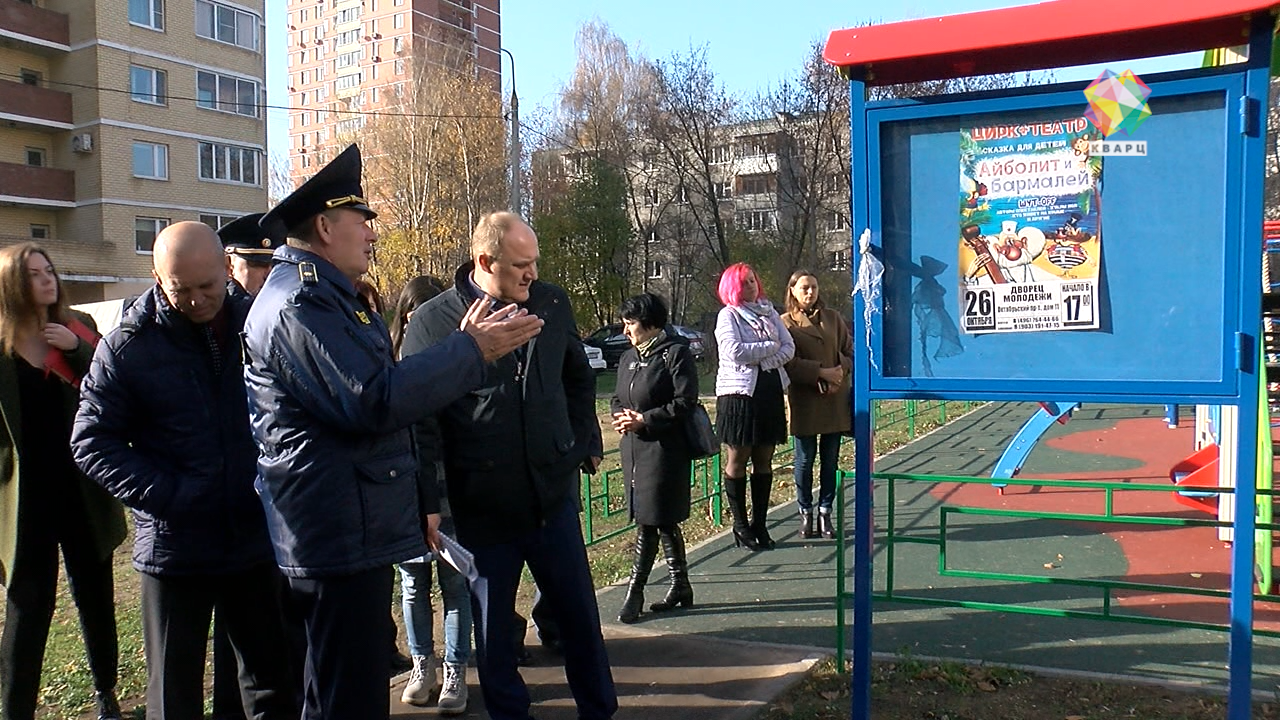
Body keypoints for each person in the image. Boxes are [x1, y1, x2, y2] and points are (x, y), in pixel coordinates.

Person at [242, 144, 542, 720]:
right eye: (364, 221)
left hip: (345, 525)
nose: (373, 234)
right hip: (334, 535)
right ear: (326, 227)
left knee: (335, 690)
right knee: (345, 698)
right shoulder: (302, 304)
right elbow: (373, 401)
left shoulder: (326, 298)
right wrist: (471, 350)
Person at [70, 223, 296, 720]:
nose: (196, 300)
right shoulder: (128, 346)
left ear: (227, 271)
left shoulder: (256, 325)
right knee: (174, 696)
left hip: (253, 539)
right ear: (156, 276)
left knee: (269, 686)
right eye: (181, 290)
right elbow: (91, 440)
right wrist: (169, 495)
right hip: (175, 549)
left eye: (207, 286)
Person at [402, 211, 617, 720]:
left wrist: (580, 439)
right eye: (521, 265)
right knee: (494, 634)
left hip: (551, 497)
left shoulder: (551, 302)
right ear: (485, 261)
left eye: (535, 262)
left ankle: (600, 710)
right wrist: (426, 501)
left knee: (580, 620)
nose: (532, 274)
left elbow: (577, 377)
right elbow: (420, 424)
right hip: (482, 508)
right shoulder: (434, 322)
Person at [0, 244, 126, 720]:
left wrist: (78, 351)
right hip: (26, 497)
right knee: (28, 606)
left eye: (49, 271)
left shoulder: (79, 330)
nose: (47, 280)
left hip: (80, 488)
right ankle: (16, 708)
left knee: (95, 593)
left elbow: (112, 388)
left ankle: (105, 692)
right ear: (12, 284)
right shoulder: (2, 346)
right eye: (33, 274)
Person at [211, 211, 290, 720]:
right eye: (252, 264)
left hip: (274, 492)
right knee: (242, 633)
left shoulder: (275, 312)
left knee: (271, 629)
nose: (262, 275)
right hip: (232, 491)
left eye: (269, 264)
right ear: (228, 263)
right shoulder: (222, 319)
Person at [390, 275, 474, 714]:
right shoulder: (390, 361)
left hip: (449, 490)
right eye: (412, 317)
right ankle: (424, 665)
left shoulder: (451, 363)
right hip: (405, 489)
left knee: (454, 585)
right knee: (412, 583)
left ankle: (456, 670)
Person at [610, 292, 699, 624]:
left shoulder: (675, 354)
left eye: (630, 323)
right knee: (661, 519)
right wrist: (622, 415)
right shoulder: (628, 358)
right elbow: (617, 397)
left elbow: (685, 401)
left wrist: (646, 419)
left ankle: (634, 594)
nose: (625, 331)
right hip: (634, 450)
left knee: (649, 521)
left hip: (665, 451)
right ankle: (681, 586)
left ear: (649, 323)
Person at [714, 262, 794, 551]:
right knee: (738, 458)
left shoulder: (770, 312)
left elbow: (789, 348)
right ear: (732, 287)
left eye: (752, 281)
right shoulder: (728, 315)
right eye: (743, 282)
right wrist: (769, 349)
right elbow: (733, 351)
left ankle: (760, 523)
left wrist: (763, 360)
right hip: (739, 395)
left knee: (764, 458)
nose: (750, 286)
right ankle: (740, 525)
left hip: (769, 392)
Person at [781, 271, 851, 540]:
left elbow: (849, 351)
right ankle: (805, 512)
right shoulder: (786, 323)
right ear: (793, 291)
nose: (810, 293)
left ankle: (825, 512)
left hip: (834, 398)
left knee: (830, 460)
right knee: (805, 459)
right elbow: (788, 362)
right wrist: (820, 373)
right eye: (804, 288)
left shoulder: (833, 318)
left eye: (814, 287)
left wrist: (839, 372)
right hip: (806, 398)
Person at [219, 212, 283, 297]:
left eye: (276, 266)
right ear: (229, 267)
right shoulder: (212, 307)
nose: (269, 274)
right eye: (257, 264)